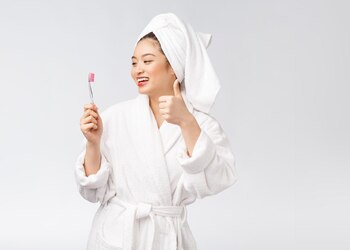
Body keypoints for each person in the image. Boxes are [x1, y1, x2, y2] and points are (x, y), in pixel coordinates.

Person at [75, 13, 237, 250]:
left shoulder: (202, 124)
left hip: (166, 238)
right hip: (115, 238)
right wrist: (93, 143)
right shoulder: (114, 117)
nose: (137, 70)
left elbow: (218, 179)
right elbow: (92, 193)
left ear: (174, 66)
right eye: (134, 62)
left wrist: (187, 123)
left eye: (147, 61)